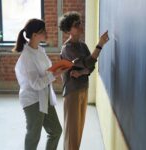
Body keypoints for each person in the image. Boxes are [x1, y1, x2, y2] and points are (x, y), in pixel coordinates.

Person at [59, 11, 109, 150]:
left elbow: (90, 66)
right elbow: (88, 62)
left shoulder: (82, 45)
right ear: (69, 30)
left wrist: (82, 72)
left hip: (83, 88)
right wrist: (99, 45)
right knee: (72, 132)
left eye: (80, 22)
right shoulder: (67, 48)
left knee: (79, 129)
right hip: (72, 92)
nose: (80, 25)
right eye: (76, 24)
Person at [13, 18, 62, 150]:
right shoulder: (26, 57)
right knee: (33, 136)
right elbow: (35, 84)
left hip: (44, 96)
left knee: (56, 131)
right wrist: (53, 75)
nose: (46, 33)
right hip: (32, 100)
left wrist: (56, 70)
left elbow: (47, 69)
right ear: (34, 35)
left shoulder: (40, 50)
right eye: (43, 31)